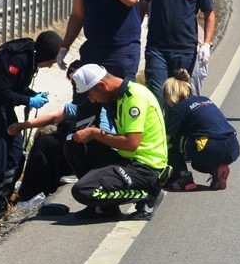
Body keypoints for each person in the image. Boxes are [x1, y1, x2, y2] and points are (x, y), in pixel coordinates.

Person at [0, 31, 60, 215]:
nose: (50, 66)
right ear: (45, 53)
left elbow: (17, 87)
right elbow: (2, 91)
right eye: (51, 61)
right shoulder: (16, 58)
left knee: (16, 154)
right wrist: (29, 101)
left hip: (3, 109)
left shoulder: (30, 59)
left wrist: (33, 95)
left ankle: (4, 199)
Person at [68, 64, 170, 220]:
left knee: (83, 191)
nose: (93, 101)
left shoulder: (134, 98)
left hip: (145, 166)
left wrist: (95, 133)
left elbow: (131, 144)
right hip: (128, 158)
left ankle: (149, 194)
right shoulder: (119, 96)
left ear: (102, 86)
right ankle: (103, 208)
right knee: (74, 146)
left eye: (90, 95)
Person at [7, 60, 114, 204]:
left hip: (99, 149)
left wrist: (92, 132)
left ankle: (70, 176)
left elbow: (108, 135)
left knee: (67, 142)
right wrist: (23, 125)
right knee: (44, 142)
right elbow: (56, 115)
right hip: (81, 138)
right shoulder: (83, 103)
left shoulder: (103, 105)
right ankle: (30, 193)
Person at [137, 0, 215, 103]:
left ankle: (176, 122)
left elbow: (209, 13)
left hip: (185, 51)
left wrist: (206, 44)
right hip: (157, 49)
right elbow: (142, 4)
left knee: (180, 100)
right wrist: (135, 31)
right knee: (158, 95)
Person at [161, 69, 240, 191]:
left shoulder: (178, 109)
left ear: (169, 94)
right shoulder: (204, 99)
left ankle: (184, 178)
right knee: (197, 164)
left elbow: (165, 139)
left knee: (171, 143)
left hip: (212, 147)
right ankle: (217, 169)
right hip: (232, 146)